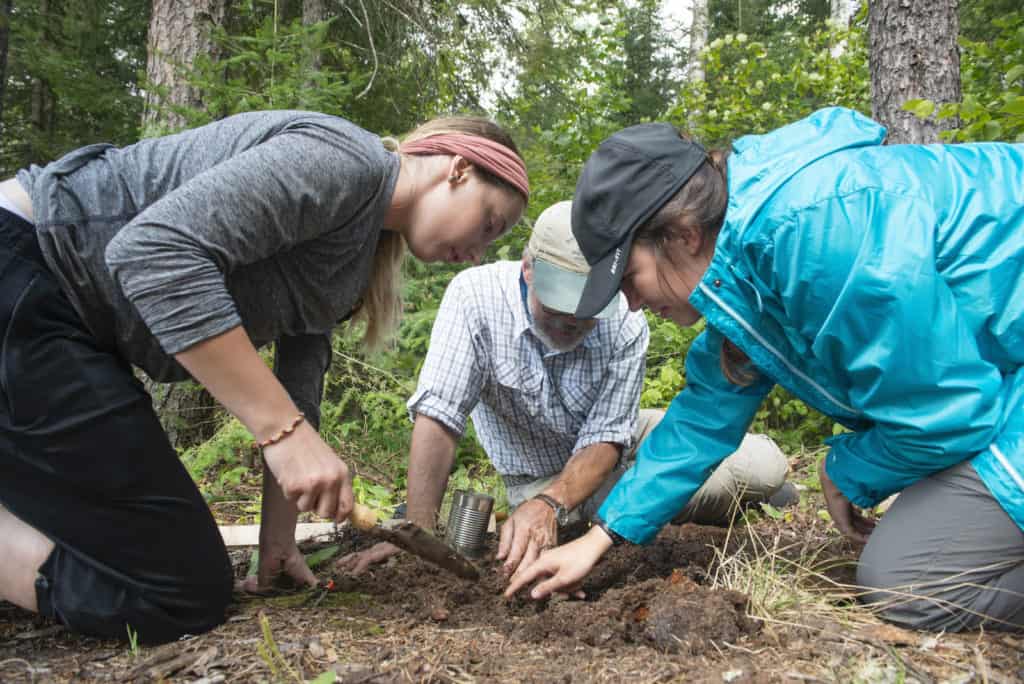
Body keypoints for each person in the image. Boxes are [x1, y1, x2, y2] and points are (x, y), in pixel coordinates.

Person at [0, 110, 528, 643]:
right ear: (458, 169)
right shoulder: (346, 162)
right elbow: (151, 251)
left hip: (71, 327)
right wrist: (282, 432)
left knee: (180, 578)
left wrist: (279, 536)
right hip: (26, 270)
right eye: (488, 224)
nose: (476, 254)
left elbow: (300, 383)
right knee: (176, 589)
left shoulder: (357, 255)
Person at [505, 107, 1024, 633]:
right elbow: (702, 419)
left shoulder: (814, 228)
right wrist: (600, 538)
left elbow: (950, 413)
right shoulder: (746, 272)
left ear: (683, 233)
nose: (633, 305)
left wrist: (846, 469)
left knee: (911, 584)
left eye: (630, 278)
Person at [336, 200, 790, 578]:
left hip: (614, 448)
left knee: (765, 467)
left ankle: (757, 491)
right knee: (637, 501)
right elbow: (440, 415)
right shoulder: (474, 297)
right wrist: (418, 530)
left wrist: (553, 503)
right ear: (529, 268)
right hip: (538, 477)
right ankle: (710, 498)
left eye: (588, 309)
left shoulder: (626, 320)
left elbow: (607, 437)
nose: (574, 320)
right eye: (561, 306)